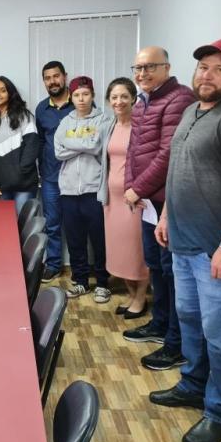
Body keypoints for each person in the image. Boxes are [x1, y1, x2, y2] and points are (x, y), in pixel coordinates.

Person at [149, 39, 221, 442]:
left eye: (219, 69)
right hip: (183, 243)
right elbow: (179, 168)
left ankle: (220, 414)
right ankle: (193, 385)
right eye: (203, 67)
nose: (207, 75)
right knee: (192, 322)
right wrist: (165, 215)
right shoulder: (190, 111)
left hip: (217, 253)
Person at [122, 46, 196, 372]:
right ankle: (160, 324)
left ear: (166, 67)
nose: (141, 74)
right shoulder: (143, 101)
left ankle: (176, 345)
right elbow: (133, 149)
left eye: (149, 67)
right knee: (155, 264)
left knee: (171, 271)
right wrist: (130, 185)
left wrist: (138, 187)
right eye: (137, 68)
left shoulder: (179, 99)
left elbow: (168, 153)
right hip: (147, 202)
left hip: (167, 203)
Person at [54, 76, 110, 301]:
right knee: (75, 239)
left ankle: (103, 283)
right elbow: (58, 151)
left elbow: (97, 146)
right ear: (71, 97)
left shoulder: (104, 120)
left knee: (99, 239)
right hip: (68, 190)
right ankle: (80, 281)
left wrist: (72, 143)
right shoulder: (65, 121)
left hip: (93, 188)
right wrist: (84, 145)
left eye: (85, 94)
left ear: (93, 95)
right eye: (77, 95)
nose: (81, 99)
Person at [98, 77, 149, 314]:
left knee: (136, 251)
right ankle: (130, 296)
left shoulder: (141, 127)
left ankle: (140, 298)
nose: (119, 101)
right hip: (112, 199)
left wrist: (137, 189)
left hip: (134, 199)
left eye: (124, 96)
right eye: (114, 97)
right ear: (109, 101)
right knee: (119, 252)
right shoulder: (110, 125)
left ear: (133, 99)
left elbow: (149, 163)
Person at [35, 61, 74, 282]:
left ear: (65, 76)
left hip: (77, 178)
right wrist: (40, 170)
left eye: (56, 76)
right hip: (51, 177)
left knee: (76, 224)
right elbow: (40, 141)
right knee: (52, 223)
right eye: (48, 78)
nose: (53, 81)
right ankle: (53, 264)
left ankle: (81, 269)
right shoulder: (41, 108)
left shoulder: (79, 102)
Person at [0, 76, 39, 213]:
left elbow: (32, 147)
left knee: (22, 227)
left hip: (23, 186)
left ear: (10, 93)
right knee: (3, 228)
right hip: (0, 188)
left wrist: (18, 175)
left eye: (3, 90)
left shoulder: (24, 116)